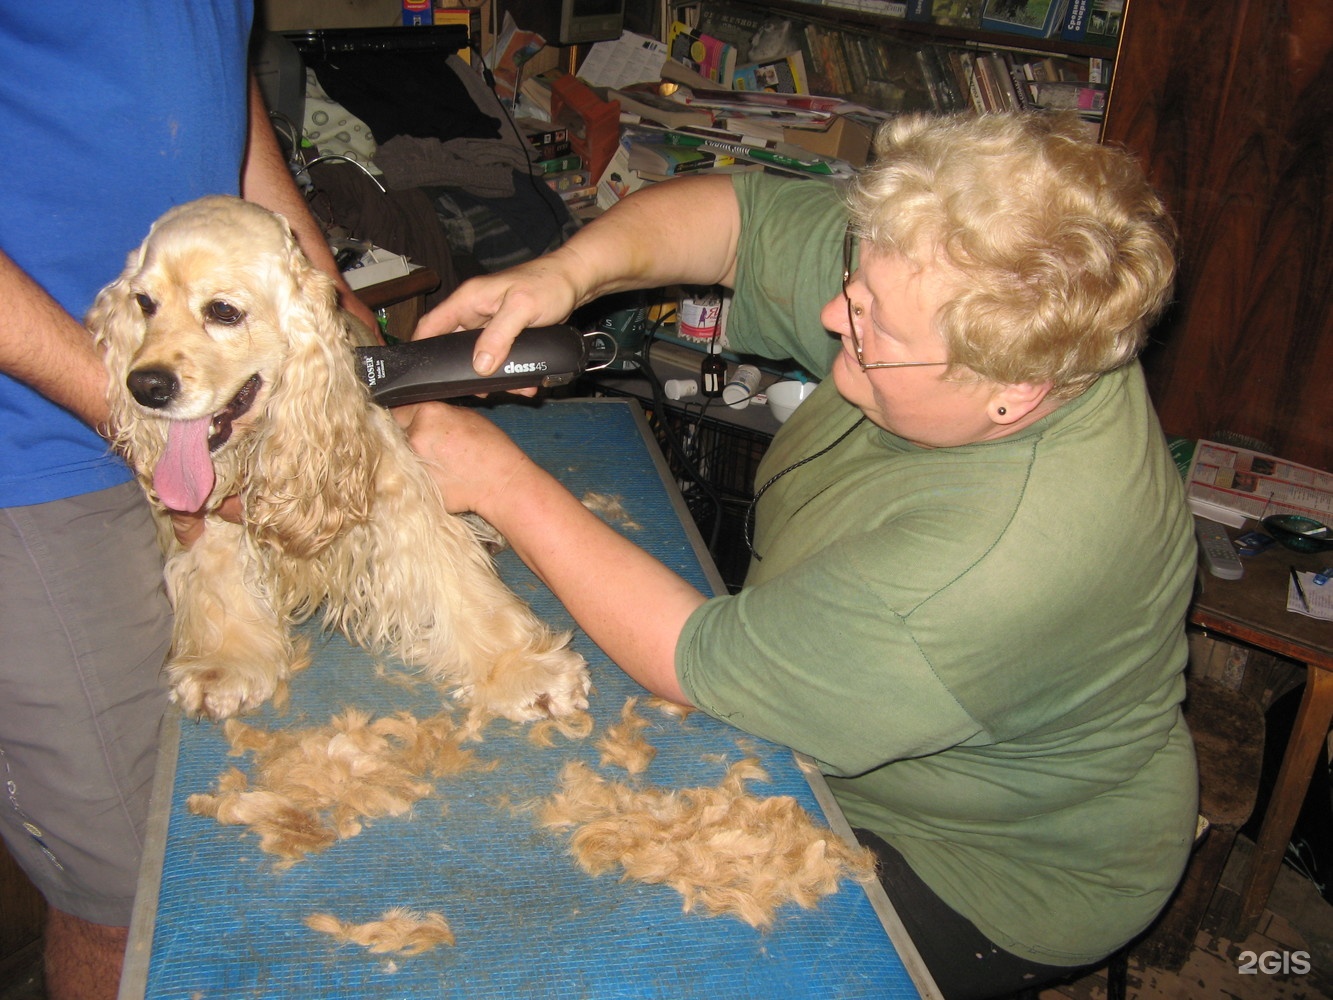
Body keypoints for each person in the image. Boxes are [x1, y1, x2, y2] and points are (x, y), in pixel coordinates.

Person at [403, 112, 1199, 998]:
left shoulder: (991, 565)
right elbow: (739, 223)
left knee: (611, 957)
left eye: (872, 330)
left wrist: (501, 483)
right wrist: (565, 272)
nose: (831, 314)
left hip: (992, 866)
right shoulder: (965, 277)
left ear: (1012, 390)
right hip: (897, 713)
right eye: (854, 283)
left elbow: (692, 657)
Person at [0, 7, 374, 999]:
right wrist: (128, 406)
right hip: (30, 442)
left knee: (264, 800)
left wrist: (319, 283)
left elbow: (216, 83)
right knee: (134, 887)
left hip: (217, 414)